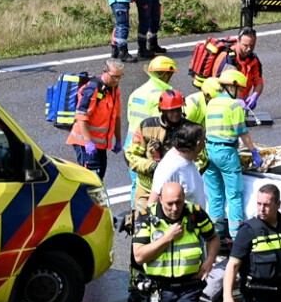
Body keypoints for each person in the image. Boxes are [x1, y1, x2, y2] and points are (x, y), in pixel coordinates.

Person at [202, 68, 260, 238]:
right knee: (234, 194)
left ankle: (215, 235)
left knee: (215, 195)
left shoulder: (211, 103)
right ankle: (236, 236)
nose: (240, 93)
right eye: (239, 89)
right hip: (226, 153)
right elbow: (242, 132)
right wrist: (254, 151)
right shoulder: (234, 105)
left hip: (209, 151)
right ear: (231, 87)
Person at [126, 89, 194, 201]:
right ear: (162, 111)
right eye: (171, 111)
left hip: (178, 192)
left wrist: (185, 172)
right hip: (147, 190)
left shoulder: (189, 129)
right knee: (142, 217)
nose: (176, 114)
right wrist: (151, 166)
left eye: (178, 109)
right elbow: (131, 155)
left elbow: (202, 159)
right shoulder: (146, 127)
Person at [125, 55, 178, 190]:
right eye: (171, 74)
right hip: (147, 144)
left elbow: (130, 118)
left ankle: (135, 210)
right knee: (150, 186)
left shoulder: (137, 92)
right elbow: (159, 126)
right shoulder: (161, 95)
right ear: (165, 74)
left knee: (136, 184)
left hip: (131, 142)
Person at [65, 61, 124, 177]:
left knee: (99, 179)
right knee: (90, 181)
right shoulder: (92, 89)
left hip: (100, 145)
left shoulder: (114, 90)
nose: (116, 80)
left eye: (120, 77)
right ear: (105, 71)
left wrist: (118, 139)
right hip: (85, 144)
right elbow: (81, 116)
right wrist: (88, 142)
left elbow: (117, 116)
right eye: (114, 77)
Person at [225, 28, 265, 115]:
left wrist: (255, 96)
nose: (249, 49)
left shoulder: (253, 59)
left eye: (252, 45)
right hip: (222, 101)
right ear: (238, 41)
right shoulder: (229, 58)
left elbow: (259, 82)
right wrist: (235, 101)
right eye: (245, 45)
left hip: (241, 101)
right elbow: (221, 87)